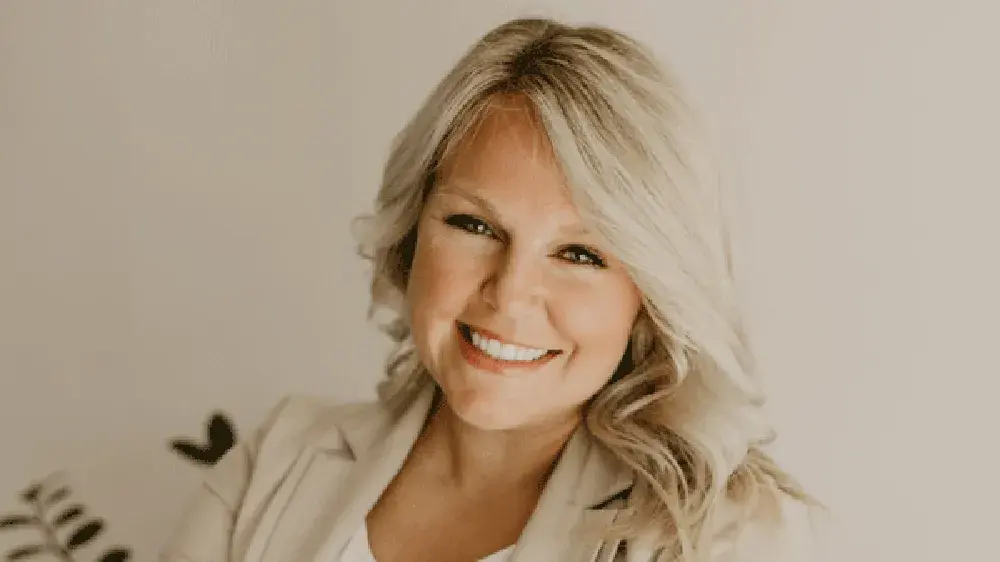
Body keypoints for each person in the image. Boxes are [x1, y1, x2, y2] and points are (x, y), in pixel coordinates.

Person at [160, 16, 821, 562]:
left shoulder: (728, 537)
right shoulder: (276, 462)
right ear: (412, 230)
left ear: (648, 294)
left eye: (580, 253)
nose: (510, 294)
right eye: (475, 224)